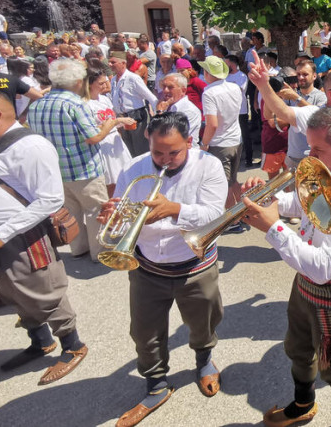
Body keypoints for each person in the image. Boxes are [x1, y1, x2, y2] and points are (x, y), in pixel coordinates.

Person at [241, 107, 331, 427]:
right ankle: (304, 403)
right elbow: (299, 204)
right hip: (305, 285)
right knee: (298, 348)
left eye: (317, 149)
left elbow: (323, 267)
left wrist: (273, 228)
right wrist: (266, 199)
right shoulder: (324, 173)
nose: (308, 156)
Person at [100, 112, 227, 427]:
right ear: (148, 141)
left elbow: (215, 212)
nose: (165, 159)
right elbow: (122, 210)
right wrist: (113, 217)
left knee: (203, 321)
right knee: (144, 332)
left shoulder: (207, 165)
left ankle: (204, 361)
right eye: (158, 152)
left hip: (195, 265)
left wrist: (175, 210)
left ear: (189, 141)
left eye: (174, 152)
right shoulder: (134, 168)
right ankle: (156, 383)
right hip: (147, 266)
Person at [0, 87, 88, 385]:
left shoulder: (30, 147)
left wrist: (2, 233)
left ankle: (73, 346)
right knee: (9, 290)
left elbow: (49, 200)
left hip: (20, 236)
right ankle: (40, 341)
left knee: (43, 292)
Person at [27, 59, 123, 261]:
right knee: (97, 209)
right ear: (78, 81)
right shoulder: (75, 104)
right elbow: (94, 137)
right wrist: (109, 124)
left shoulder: (37, 104)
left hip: (55, 169)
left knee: (72, 211)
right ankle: (100, 252)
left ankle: (78, 247)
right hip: (84, 169)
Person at [198, 55, 245, 230]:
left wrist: (204, 143)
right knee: (232, 181)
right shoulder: (234, 87)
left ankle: (233, 221)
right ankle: (240, 213)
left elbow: (212, 123)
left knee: (223, 184)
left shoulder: (209, 93)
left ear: (209, 73)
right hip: (236, 139)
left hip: (220, 143)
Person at [84, 65, 136, 197]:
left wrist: (122, 124)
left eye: (105, 82)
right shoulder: (85, 104)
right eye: (100, 83)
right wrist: (118, 121)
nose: (105, 86)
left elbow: (111, 119)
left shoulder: (105, 99)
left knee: (122, 177)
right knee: (110, 182)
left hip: (115, 142)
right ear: (89, 84)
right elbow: (93, 130)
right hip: (102, 144)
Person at [278, 60, 327, 171]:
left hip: (313, 157)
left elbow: (318, 119)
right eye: (298, 74)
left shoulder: (321, 97)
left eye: (305, 74)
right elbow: (275, 121)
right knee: (291, 189)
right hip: (292, 155)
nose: (300, 77)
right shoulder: (290, 94)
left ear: (314, 76)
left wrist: (296, 99)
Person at [109, 51, 157, 156]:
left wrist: (158, 115)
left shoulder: (133, 78)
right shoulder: (113, 80)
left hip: (136, 117)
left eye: (113, 62)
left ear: (123, 63)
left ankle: (146, 171)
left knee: (141, 149)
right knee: (128, 149)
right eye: (109, 62)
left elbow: (150, 97)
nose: (110, 65)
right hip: (122, 118)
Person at [225, 54, 252, 169]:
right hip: (228, 110)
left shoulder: (242, 76)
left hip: (241, 110)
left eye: (226, 63)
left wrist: (228, 87)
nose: (225, 66)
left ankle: (249, 159)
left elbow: (239, 89)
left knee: (245, 134)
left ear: (233, 64)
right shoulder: (225, 77)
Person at [156, 73, 202, 140]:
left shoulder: (189, 111)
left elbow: (172, 137)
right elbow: (148, 133)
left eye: (170, 87)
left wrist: (160, 114)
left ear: (183, 91)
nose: (165, 90)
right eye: (164, 87)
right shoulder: (164, 106)